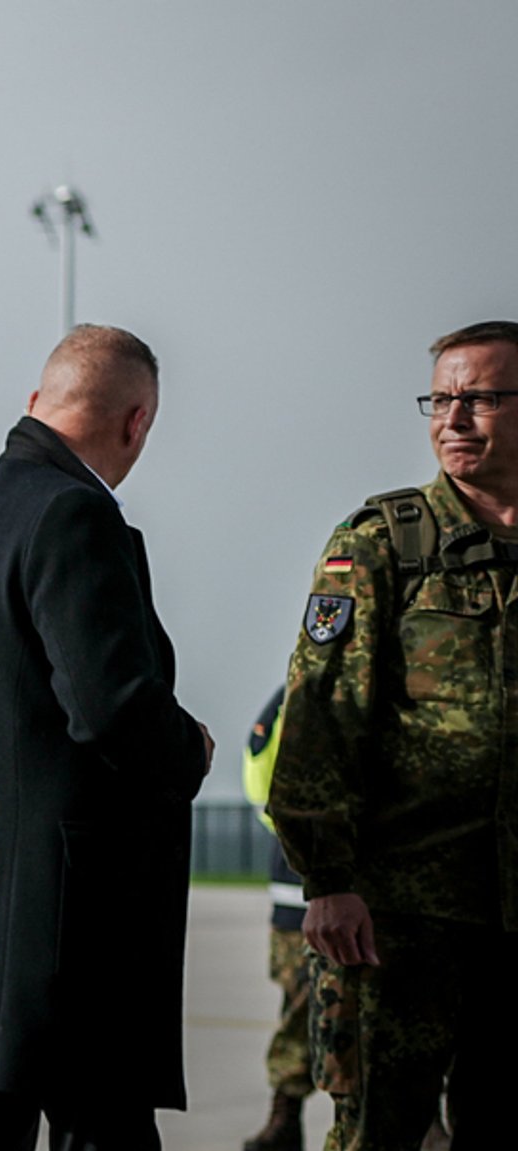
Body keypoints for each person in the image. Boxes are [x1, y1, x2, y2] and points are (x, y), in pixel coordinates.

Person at [0, 324, 211, 1150]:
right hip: (74, 931)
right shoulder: (74, 513)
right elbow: (110, 707)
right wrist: (192, 750)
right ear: (136, 421)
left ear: (36, 402)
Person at [270, 320, 518, 1151]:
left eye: (481, 398)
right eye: (442, 399)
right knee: (381, 1129)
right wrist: (327, 877)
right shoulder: (384, 543)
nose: (455, 419)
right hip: (398, 918)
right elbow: (320, 714)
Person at [239, 686, 317, 1151]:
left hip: (382, 879)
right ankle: (285, 1115)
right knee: (298, 1009)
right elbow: (258, 772)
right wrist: (302, 832)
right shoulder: (294, 693)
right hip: (297, 884)